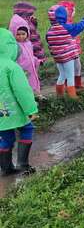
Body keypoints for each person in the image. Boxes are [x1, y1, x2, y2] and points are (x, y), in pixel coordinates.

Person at [0, 28, 39, 176]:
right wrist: (31, 109)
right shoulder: (11, 66)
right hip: (13, 107)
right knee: (27, 129)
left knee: (5, 134)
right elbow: (22, 91)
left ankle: (6, 167)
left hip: (1, 108)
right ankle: (23, 164)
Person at [45, 5, 84, 100]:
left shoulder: (49, 30)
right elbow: (79, 27)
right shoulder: (66, 28)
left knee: (62, 74)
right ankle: (72, 97)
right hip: (68, 57)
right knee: (70, 76)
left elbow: (49, 42)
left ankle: (60, 94)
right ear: (62, 16)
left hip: (58, 57)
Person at [8, 15, 40, 96]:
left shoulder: (28, 43)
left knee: (33, 84)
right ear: (13, 33)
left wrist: (35, 60)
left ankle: (36, 96)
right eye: (18, 34)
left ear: (27, 33)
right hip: (22, 72)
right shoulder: (14, 46)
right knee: (24, 88)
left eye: (23, 34)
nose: (21, 36)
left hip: (31, 70)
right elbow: (12, 60)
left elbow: (30, 55)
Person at [58, 0, 84, 89]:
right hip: (68, 51)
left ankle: (77, 83)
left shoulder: (68, 22)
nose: (74, 12)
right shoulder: (65, 24)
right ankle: (69, 86)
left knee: (77, 66)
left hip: (73, 49)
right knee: (70, 69)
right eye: (72, 10)